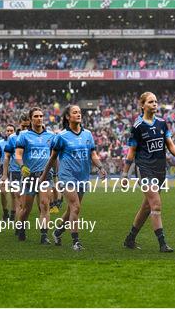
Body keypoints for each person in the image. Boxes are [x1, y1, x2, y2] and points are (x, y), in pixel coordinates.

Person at [122, 92, 175, 252]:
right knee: (156, 204)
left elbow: (170, 145)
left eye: (156, 101)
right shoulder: (137, 126)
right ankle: (162, 244)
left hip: (160, 169)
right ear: (142, 105)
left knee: (147, 207)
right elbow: (131, 151)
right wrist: (125, 174)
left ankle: (130, 238)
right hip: (144, 168)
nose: (155, 104)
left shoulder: (162, 123)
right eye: (151, 102)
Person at [40, 105, 107, 251]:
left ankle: (57, 232)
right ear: (67, 117)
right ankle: (76, 242)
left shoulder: (88, 134)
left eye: (79, 112)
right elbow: (52, 158)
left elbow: (93, 154)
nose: (78, 114)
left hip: (83, 176)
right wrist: (44, 175)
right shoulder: (61, 136)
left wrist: (100, 167)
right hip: (67, 176)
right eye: (75, 112)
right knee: (76, 207)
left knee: (72, 209)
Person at [15, 107, 56, 244]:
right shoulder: (24, 135)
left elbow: (54, 157)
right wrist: (22, 166)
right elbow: (18, 154)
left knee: (45, 205)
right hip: (30, 176)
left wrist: (57, 174)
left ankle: (44, 236)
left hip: (45, 176)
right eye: (36, 116)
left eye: (41, 116)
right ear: (31, 119)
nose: (39, 118)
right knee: (26, 209)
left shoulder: (51, 136)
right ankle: (21, 228)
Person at [2, 116, 30, 222]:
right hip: (15, 172)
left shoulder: (33, 137)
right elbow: (7, 157)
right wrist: (4, 175)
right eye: (23, 126)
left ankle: (21, 221)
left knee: (25, 202)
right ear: (19, 124)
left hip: (29, 172)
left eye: (28, 126)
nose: (25, 128)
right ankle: (19, 226)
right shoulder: (12, 138)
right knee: (18, 198)